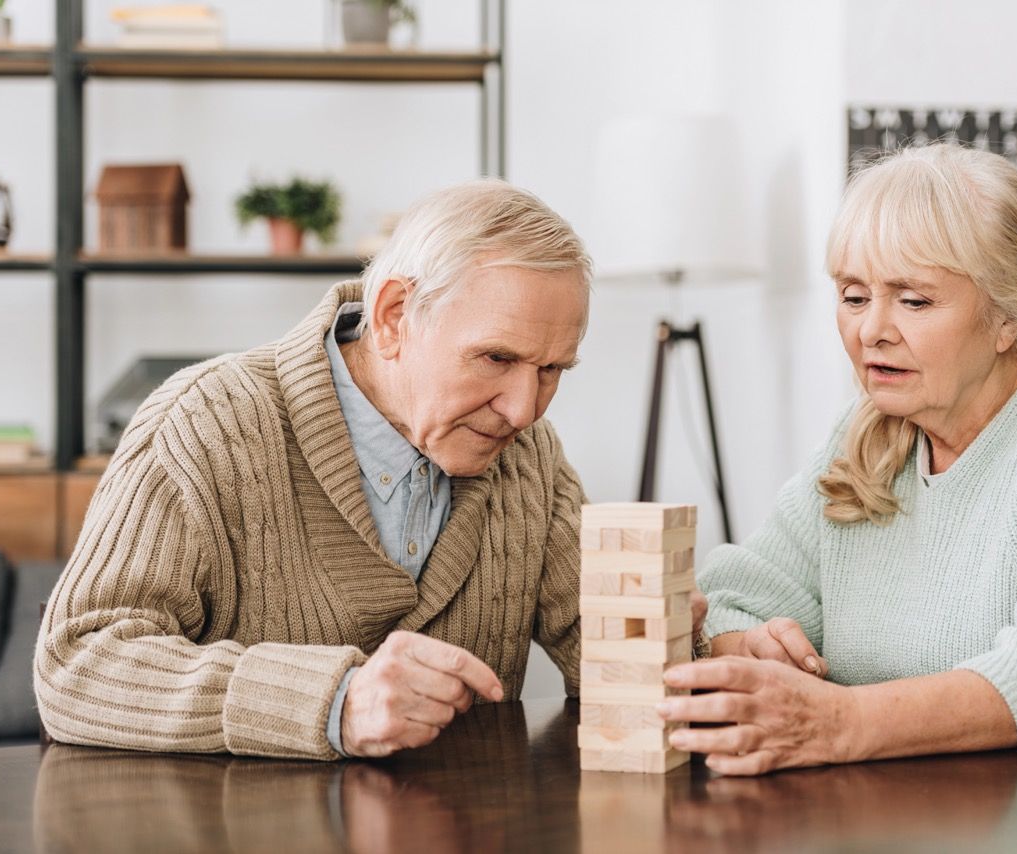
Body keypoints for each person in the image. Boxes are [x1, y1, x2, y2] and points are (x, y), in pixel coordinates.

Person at [660, 144, 1017, 775]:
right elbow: (735, 599)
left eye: (913, 301)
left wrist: (843, 722)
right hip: (929, 806)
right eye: (854, 296)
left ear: (1005, 318)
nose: (871, 331)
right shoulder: (866, 438)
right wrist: (751, 648)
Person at [34, 180, 611, 760]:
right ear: (392, 317)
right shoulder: (202, 423)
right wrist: (336, 701)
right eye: (497, 358)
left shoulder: (528, 452)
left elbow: (611, 646)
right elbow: (77, 663)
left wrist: (675, 645)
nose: (524, 408)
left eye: (553, 369)